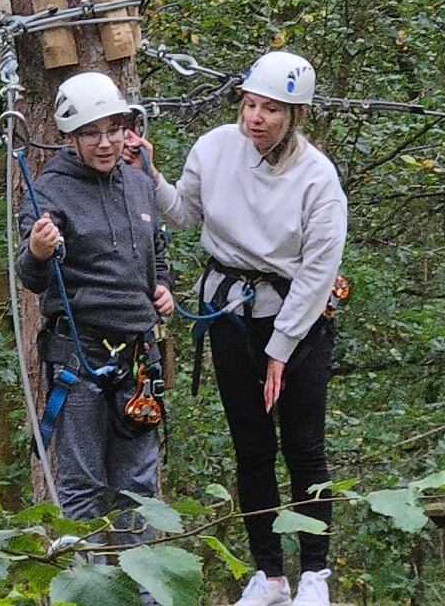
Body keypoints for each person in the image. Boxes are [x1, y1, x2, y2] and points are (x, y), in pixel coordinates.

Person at [124, 51, 347, 606]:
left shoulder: (317, 178)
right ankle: (268, 574)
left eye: (271, 109)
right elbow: (185, 213)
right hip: (229, 313)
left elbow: (317, 271)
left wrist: (281, 348)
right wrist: (152, 176)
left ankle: (314, 574)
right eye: (250, 105)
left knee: (304, 447)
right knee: (251, 447)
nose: (256, 118)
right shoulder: (216, 147)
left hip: (297, 319)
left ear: (294, 115)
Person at [16, 72, 174, 584]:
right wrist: (38, 251)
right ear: (70, 136)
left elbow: (156, 252)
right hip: (79, 356)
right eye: (90, 133)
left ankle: (143, 592)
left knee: (138, 487)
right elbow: (31, 275)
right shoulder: (50, 190)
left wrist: (163, 287)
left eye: (113, 129)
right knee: (82, 486)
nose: (105, 143)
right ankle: (88, 592)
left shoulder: (137, 182)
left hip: (138, 358)